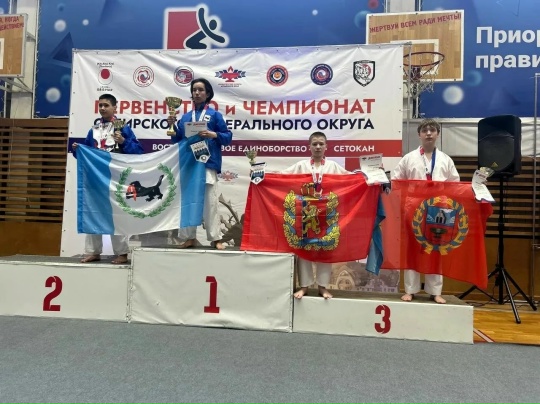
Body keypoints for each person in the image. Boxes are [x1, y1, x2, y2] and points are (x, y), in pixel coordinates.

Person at [392, 118, 460, 304]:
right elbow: (396, 180)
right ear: (419, 135)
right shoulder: (409, 158)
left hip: (439, 209)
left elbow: (455, 184)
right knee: (412, 248)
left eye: (432, 130)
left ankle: (435, 291)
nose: (428, 133)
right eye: (425, 130)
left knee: (436, 249)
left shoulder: (445, 159)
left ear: (437, 134)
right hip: (414, 207)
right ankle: (410, 290)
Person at [72, 93, 144, 264]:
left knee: (116, 214)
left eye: (106, 105)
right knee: (92, 212)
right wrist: (78, 150)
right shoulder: (94, 130)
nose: (103, 108)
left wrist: (124, 141)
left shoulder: (123, 127)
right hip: (96, 177)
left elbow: (138, 152)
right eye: (101, 105)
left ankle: (122, 252)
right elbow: (87, 155)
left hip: (115, 177)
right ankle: (93, 251)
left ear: (114, 107)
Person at [282, 131, 350, 299]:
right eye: (315, 144)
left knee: (325, 249)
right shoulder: (301, 165)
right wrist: (260, 173)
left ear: (326, 146)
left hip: (326, 215)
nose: (318, 147)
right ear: (309, 147)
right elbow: (282, 176)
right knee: (303, 248)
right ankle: (304, 286)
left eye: (321, 144)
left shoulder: (333, 166)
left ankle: (322, 287)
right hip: (305, 214)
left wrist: (371, 175)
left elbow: (351, 179)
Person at [167, 78, 233, 250]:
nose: (196, 93)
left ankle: (216, 238)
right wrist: (173, 126)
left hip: (207, 163)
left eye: (200, 90)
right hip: (189, 164)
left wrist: (213, 134)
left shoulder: (215, 115)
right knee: (188, 201)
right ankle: (188, 237)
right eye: (194, 90)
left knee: (210, 202)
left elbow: (227, 137)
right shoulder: (185, 117)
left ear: (208, 93)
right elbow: (177, 140)